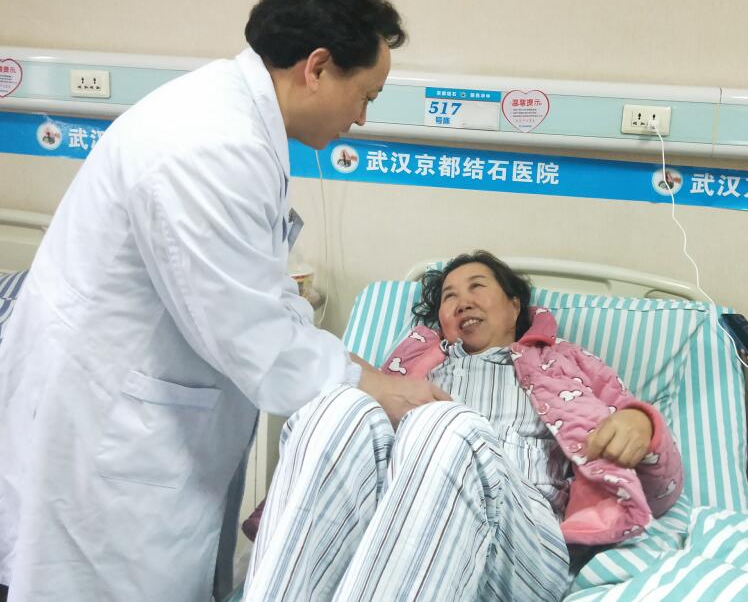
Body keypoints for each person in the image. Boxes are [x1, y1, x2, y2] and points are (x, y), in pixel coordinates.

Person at [0, 0, 447, 602]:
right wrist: (374, 387)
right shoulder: (209, 145)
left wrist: (362, 372)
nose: (362, 117)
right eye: (365, 94)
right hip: (111, 439)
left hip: (142, 422)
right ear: (318, 68)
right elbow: (252, 336)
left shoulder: (235, 121)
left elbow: (263, 296)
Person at [242, 251, 683, 601]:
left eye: (477, 286)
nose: (462, 300)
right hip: (394, 532)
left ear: (515, 305)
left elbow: (659, 488)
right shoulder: (412, 368)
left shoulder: (566, 362)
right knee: (339, 406)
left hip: (523, 546)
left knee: (448, 425)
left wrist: (641, 425)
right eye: (449, 296)